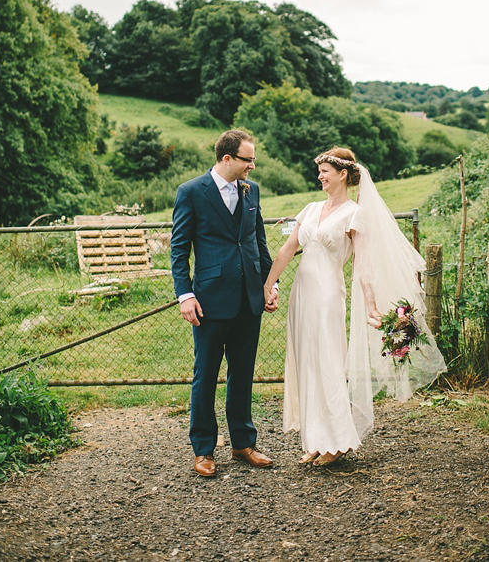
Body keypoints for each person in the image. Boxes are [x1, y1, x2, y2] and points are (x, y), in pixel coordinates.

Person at [264, 147, 446, 467]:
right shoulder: (309, 209)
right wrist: (268, 285)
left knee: (328, 365)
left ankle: (338, 441)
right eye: (319, 171)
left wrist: (373, 306)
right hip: (302, 295)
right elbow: (286, 250)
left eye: (325, 171)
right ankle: (317, 438)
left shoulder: (354, 213)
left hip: (327, 295)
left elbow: (363, 265)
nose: (320, 176)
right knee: (307, 366)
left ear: (343, 175)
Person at [171, 129, 278, 478]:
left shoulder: (252, 190)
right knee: (206, 375)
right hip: (209, 300)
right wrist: (185, 294)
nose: (252, 166)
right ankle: (203, 449)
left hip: (249, 298)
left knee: (243, 373)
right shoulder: (190, 192)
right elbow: (178, 249)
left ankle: (243, 443)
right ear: (227, 158)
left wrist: (267, 285)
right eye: (248, 160)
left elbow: (257, 240)